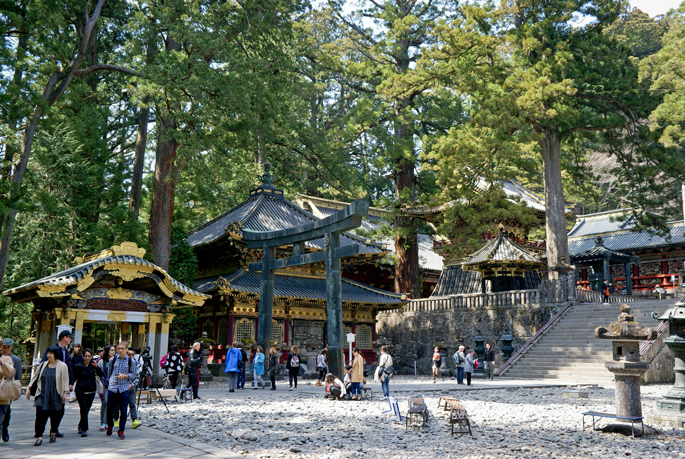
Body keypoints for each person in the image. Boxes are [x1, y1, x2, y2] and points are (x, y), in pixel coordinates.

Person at [27, 345, 68, 446]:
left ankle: (53, 432)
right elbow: (35, 377)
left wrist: (65, 393)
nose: (49, 355)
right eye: (48, 353)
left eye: (51, 353)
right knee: (40, 416)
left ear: (56, 354)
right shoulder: (43, 365)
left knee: (55, 416)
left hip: (55, 394)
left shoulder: (62, 366)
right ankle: (39, 436)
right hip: (42, 394)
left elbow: (65, 381)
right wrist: (29, 388)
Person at [41, 329, 73, 439]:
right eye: (69, 337)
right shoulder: (52, 350)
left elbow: (69, 368)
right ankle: (40, 430)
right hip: (51, 382)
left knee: (60, 408)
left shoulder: (66, 351)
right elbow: (43, 364)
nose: (70, 340)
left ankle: (54, 429)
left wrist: (70, 382)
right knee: (47, 407)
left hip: (62, 382)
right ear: (65, 337)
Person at [106, 341, 137, 440]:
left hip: (124, 387)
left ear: (127, 349)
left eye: (122, 348)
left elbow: (134, 374)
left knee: (123, 411)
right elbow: (109, 372)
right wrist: (111, 381)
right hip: (113, 387)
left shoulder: (131, 361)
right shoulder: (113, 359)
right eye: (118, 348)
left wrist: (125, 376)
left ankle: (121, 430)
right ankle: (110, 425)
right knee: (110, 410)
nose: (120, 350)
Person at [73, 348, 103, 437]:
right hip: (80, 390)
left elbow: (102, 375)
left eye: (89, 356)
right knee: (83, 408)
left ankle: (80, 425)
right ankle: (84, 429)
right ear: (83, 356)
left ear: (91, 357)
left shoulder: (93, 366)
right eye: (85, 356)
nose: (87, 358)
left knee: (86, 410)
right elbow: (74, 377)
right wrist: (70, 385)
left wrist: (96, 367)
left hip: (91, 390)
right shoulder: (78, 365)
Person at [1, 338, 22, 442]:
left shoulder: (16, 360)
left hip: (8, 389)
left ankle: (5, 429)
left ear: (11, 347)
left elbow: (18, 377)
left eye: (7, 348)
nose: (5, 350)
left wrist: (18, 391)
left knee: (7, 411)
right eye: (3, 347)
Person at [98, 345, 115, 431]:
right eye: (111, 350)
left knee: (111, 404)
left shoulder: (115, 361)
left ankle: (109, 421)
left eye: (114, 350)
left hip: (113, 385)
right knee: (104, 402)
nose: (113, 352)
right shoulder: (102, 362)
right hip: (104, 385)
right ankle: (102, 421)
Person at [125, 348, 142, 429]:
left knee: (132, 403)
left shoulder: (135, 364)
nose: (131, 356)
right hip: (122, 388)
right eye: (129, 354)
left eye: (132, 354)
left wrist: (132, 385)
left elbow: (137, 377)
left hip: (131, 388)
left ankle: (134, 420)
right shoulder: (122, 363)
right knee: (121, 405)